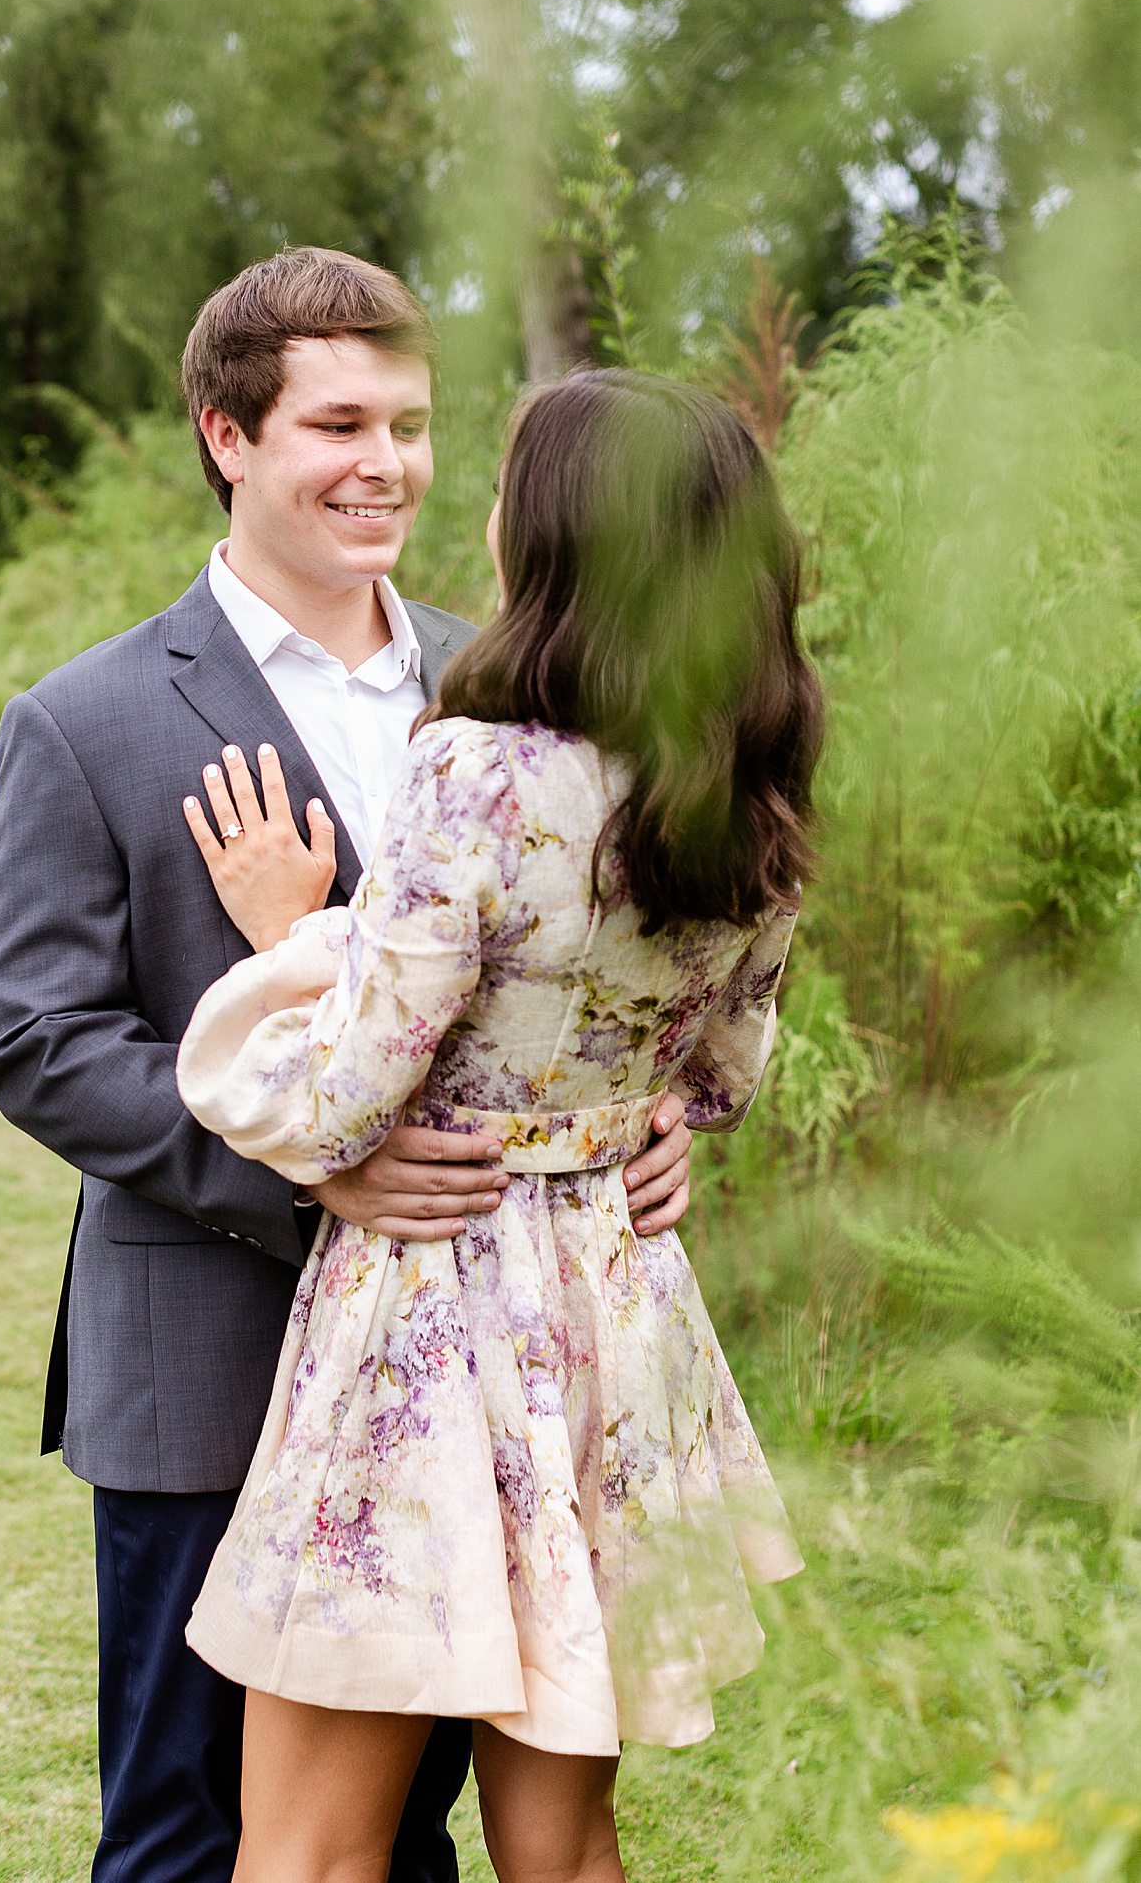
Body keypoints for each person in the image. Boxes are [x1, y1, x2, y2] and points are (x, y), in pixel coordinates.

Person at [0, 252, 695, 1883]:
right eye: (340, 421)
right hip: (210, 1356)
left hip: (488, 1371)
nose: (386, 462)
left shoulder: (516, 678)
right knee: (192, 1832)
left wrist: (649, 1129)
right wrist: (317, 1156)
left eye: (415, 424)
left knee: (408, 1833)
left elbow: (603, 977)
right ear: (229, 435)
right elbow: (41, 1041)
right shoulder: (86, 720)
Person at [173, 367, 824, 1883]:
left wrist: (293, 933)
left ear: (563, 538)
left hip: (437, 1305)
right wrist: (616, 1124)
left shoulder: (476, 771)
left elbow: (333, 1092)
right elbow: (717, 1081)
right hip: (615, 1315)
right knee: (565, 1841)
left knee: (310, 1849)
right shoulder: (750, 797)